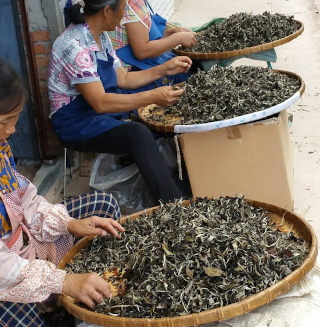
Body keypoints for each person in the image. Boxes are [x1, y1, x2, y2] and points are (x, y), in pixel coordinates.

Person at [0, 59, 125, 326]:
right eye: (4, 122)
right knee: (21, 318)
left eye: (14, 120)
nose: (10, 131)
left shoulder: (1, 151)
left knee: (104, 207)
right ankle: (59, 306)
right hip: (5, 271)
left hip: (27, 243)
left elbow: (26, 199)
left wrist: (70, 223)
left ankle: (71, 301)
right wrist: (64, 281)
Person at [48, 0, 193, 204]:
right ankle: (174, 203)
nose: (125, 15)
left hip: (99, 110)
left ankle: (184, 179)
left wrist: (165, 69)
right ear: (107, 11)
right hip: (77, 123)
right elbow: (100, 102)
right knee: (137, 134)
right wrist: (153, 97)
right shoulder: (73, 46)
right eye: (123, 8)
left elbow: (123, 79)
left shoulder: (101, 36)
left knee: (156, 119)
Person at [108, 0, 197, 84]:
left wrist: (171, 33)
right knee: (177, 74)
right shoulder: (131, 5)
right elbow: (142, 52)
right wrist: (177, 38)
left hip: (140, 59)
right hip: (130, 69)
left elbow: (143, 36)